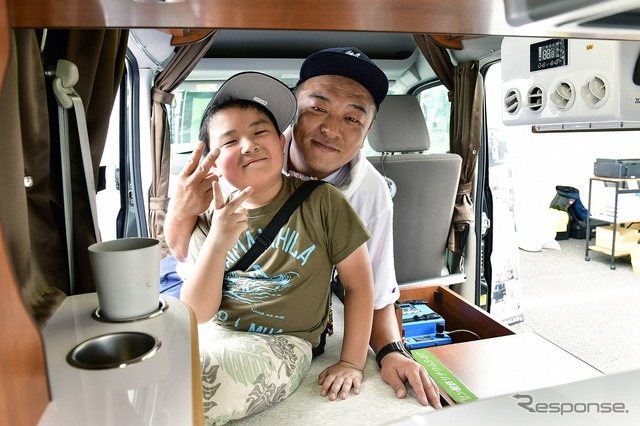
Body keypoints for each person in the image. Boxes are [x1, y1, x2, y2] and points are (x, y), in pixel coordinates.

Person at [165, 47, 442, 409]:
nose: (331, 129)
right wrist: (180, 211)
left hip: (288, 328)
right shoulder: (238, 165)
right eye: (318, 108)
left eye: (352, 119)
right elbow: (183, 259)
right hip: (214, 298)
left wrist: (390, 351)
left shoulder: (368, 193)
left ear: (368, 130)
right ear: (291, 116)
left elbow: (371, 287)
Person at [179, 71, 375, 424]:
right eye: (228, 141)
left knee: (198, 390)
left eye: (259, 132)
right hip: (217, 332)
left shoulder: (323, 202)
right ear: (211, 161)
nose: (248, 145)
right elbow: (196, 313)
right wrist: (218, 240)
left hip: (286, 342)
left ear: (282, 143)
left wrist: (350, 362)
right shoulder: (210, 210)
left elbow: (358, 284)